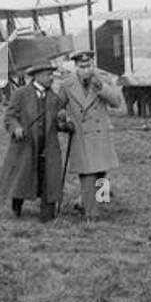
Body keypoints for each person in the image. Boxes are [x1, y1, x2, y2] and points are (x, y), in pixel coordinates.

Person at [52, 50, 123, 221]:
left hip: (101, 135)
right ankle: (92, 214)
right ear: (76, 66)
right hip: (81, 136)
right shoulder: (67, 84)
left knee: (101, 171)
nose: (86, 69)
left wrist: (101, 88)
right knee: (87, 174)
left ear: (93, 64)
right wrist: (63, 119)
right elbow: (58, 106)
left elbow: (117, 102)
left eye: (89, 65)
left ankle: (97, 201)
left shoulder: (103, 79)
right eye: (82, 66)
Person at [0, 62, 65, 221]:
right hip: (25, 144)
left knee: (48, 178)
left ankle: (47, 213)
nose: (51, 78)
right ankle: (16, 207)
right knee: (22, 178)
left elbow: (57, 122)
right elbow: (10, 117)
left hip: (48, 147)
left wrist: (64, 124)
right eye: (48, 75)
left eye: (52, 75)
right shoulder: (20, 94)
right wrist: (16, 128)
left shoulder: (54, 98)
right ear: (37, 76)